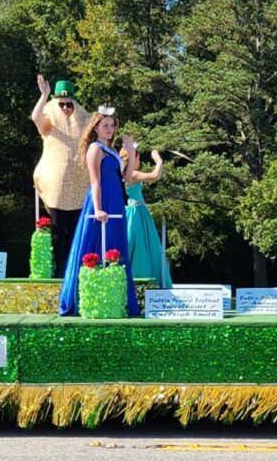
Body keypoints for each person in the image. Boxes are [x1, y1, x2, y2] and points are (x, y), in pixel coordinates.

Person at [58, 106, 140, 316]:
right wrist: (99, 208)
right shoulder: (95, 149)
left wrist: (130, 152)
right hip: (102, 203)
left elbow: (128, 178)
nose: (110, 129)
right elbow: (95, 182)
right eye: (105, 125)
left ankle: (117, 299)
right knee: (94, 245)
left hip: (116, 203)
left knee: (116, 246)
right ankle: (85, 299)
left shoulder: (112, 151)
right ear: (95, 127)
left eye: (112, 126)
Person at [32, 76, 91, 276]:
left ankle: (76, 270)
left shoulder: (84, 121)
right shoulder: (48, 123)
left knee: (77, 232)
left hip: (79, 186)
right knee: (58, 232)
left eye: (69, 104)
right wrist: (44, 95)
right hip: (55, 185)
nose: (66, 108)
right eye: (62, 104)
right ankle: (59, 271)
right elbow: (35, 118)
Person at [119, 141, 172, 288]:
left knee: (136, 247)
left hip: (135, 213)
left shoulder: (123, 175)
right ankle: (142, 282)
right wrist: (159, 160)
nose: (139, 161)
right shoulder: (133, 174)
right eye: (138, 159)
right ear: (131, 160)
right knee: (141, 247)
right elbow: (155, 175)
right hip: (136, 215)